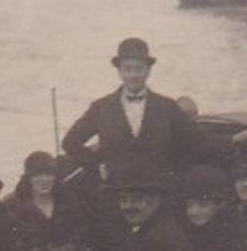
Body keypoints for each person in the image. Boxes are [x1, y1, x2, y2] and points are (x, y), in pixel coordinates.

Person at [61, 37, 211, 184]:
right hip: (115, 191)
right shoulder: (101, 107)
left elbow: (197, 141)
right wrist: (98, 165)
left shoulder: (167, 106)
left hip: (158, 191)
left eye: (139, 68)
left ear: (148, 70)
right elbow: (70, 142)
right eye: (128, 69)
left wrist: (232, 141)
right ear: (119, 71)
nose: (133, 75)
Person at [99, 158, 196, 251]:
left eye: (137, 199)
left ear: (157, 199)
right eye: (123, 200)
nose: (128, 206)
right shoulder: (138, 229)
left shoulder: (165, 238)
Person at [181, 163, 247, 251]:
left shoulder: (230, 237)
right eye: (189, 205)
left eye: (202, 205)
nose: (193, 212)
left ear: (221, 205)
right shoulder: (189, 230)